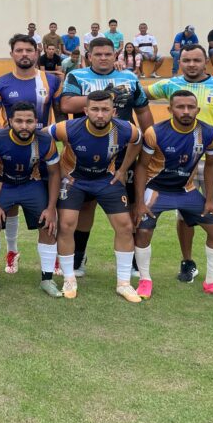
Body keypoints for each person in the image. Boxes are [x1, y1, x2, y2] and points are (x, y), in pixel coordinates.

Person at [149, 45, 213, 289]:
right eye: (186, 60)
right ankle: (187, 262)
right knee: (184, 216)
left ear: (206, 62)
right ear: (179, 62)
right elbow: (140, 95)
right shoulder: (169, 85)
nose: (191, 64)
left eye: (196, 60)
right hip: (181, 162)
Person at [133, 90, 213, 301]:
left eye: (190, 107)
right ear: (170, 109)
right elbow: (141, 166)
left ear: (197, 110)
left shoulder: (209, 133)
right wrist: (139, 202)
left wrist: (209, 200)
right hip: (156, 189)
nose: (185, 111)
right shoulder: (155, 132)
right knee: (143, 231)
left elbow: (211, 165)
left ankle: (212, 282)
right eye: (180, 107)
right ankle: (145, 280)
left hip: (186, 190)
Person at [60, 36, 153, 277]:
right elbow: (67, 105)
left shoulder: (129, 78)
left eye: (108, 54)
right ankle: (79, 256)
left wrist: (151, 140)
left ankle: (132, 260)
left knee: (130, 204)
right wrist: (106, 96)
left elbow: (143, 111)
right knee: (86, 205)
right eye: (98, 54)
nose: (103, 58)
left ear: (115, 56)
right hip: (86, 150)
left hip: (123, 152)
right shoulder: (77, 76)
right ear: (89, 56)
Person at [51, 90, 143, 302]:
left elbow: (138, 141)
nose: (100, 114)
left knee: (125, 226)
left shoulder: (125, 128)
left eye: (105, 109)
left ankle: (124, 283)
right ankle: (69, 278)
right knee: (66, 224)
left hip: (106, 180)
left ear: (113, 111)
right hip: (74, 180)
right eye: (95, 109)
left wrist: (123, 169)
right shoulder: (69, 127)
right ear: (85, 111)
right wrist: (59, 168)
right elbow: (43, 137)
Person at [0, 34, 64, 273]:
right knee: (8, 205)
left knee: (50, 206)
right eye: (19, 50)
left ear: (36, 52)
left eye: (28, 50)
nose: (24, 54)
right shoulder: (0, 83)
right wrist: (7, 140)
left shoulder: (51, 80)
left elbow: (61, 115)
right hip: (11, 151)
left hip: (41, 151)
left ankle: (54, 257)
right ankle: (12, 251)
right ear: (12, 54)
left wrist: (51, 136)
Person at [0, 103, 62, 297]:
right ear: (10, 121)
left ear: (36, 122)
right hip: (5, 184)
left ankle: (47, 279)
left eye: (29, 121)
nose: (24, 126)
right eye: (19, 121)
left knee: (48, 225)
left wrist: (51, 208)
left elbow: (54, 174)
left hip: (31, 184)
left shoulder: (45, 140)